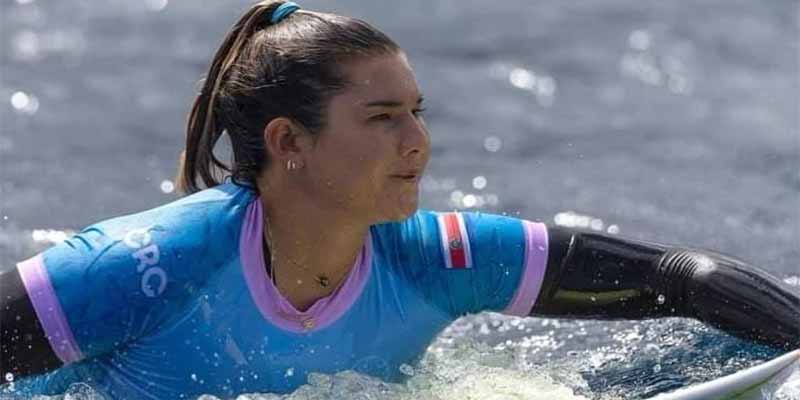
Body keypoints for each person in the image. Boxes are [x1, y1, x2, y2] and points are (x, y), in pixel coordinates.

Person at [1, 1, 797, 399]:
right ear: (289, 141)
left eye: (418, 112)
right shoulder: (149, 267)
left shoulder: (436, 258)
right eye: (383, 117)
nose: (417, 141)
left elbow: (676, 275)